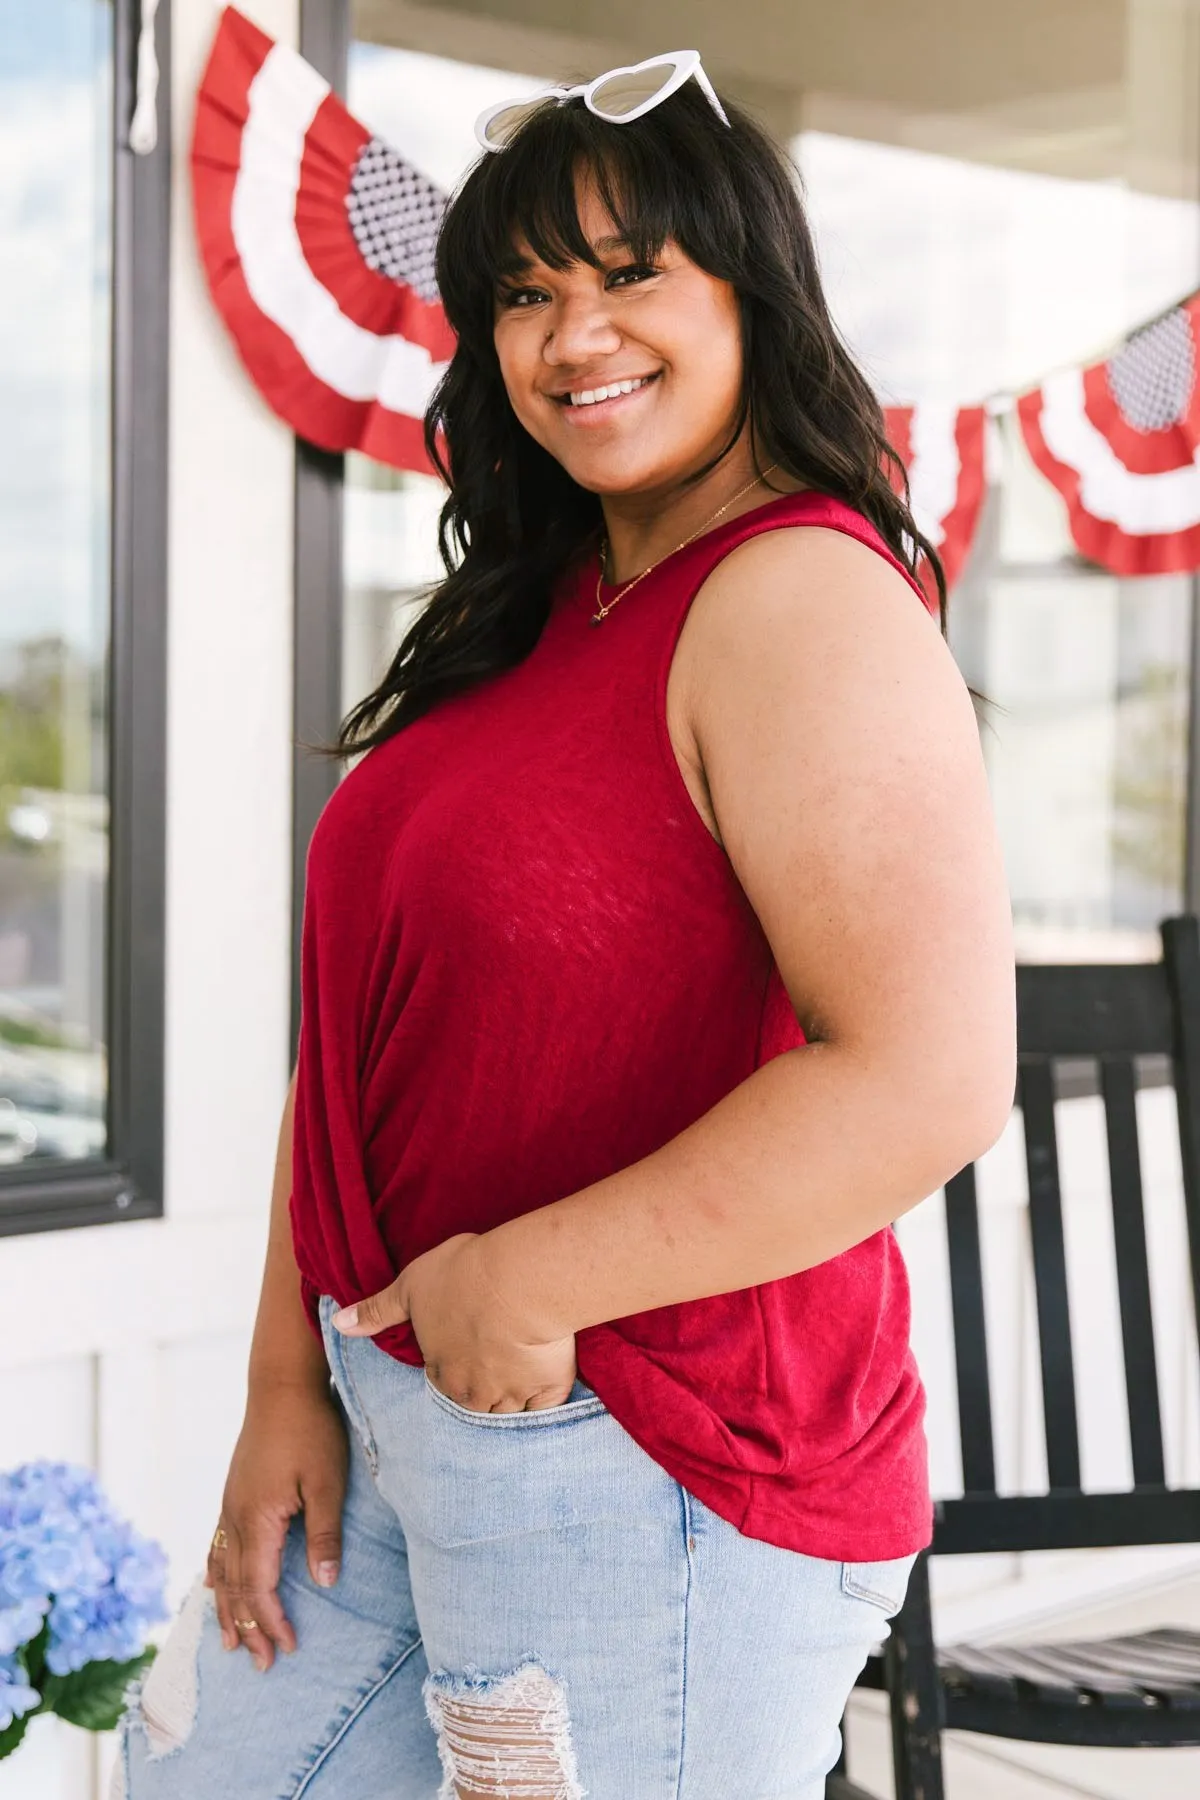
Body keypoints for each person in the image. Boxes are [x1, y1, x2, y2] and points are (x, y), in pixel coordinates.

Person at [114, 49, 1015, 1800]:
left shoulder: (801, 595)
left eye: (629, 274)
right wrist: (286, 1373)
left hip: (650, 1452)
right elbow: (368, 1033)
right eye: (525, 293)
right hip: (395, 1408)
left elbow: (925, 1075)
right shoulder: (534, 618)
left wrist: (526, 1281)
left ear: (749, 289)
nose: (573, 333)